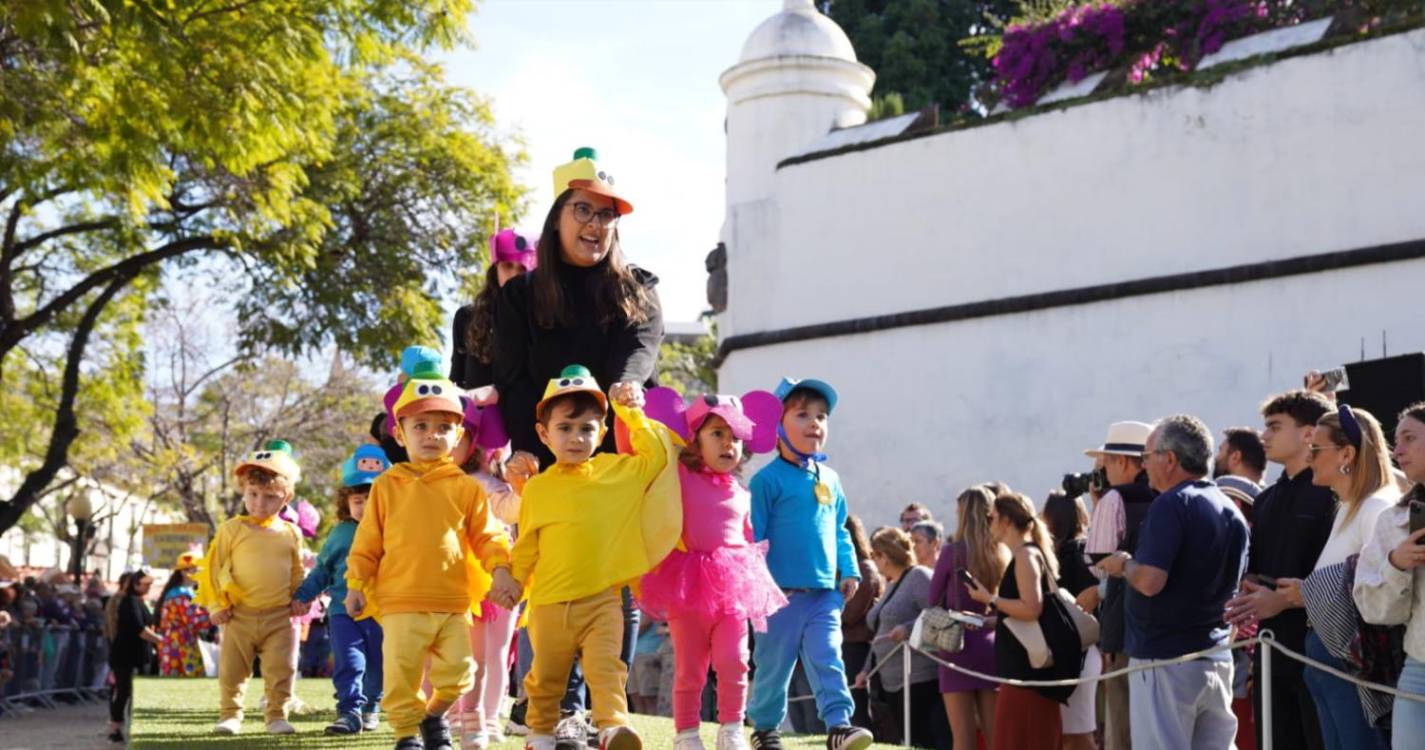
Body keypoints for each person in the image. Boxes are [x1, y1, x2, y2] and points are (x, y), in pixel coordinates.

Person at [495, 149, 662, 741]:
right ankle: (559, 710)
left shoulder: (635, 285)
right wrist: (523, 448)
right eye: (583, 211)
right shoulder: (519, 297)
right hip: (548, 457)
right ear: (558, 217)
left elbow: (644, 343)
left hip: (616, 452)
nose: (595, 225)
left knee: (618, 575)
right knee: (556, 570)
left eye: (607, 216)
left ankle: (606, 709)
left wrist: (629, 384)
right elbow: (514, 380)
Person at [505, 366, 682, 750]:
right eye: (565, 428)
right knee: (546, 676)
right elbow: (527, 545)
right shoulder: (537, 489)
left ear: (601, 433)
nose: (576, 437)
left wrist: (631, 412)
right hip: (550, 604)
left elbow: (656, 455)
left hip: (604, 600)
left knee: (608, 670)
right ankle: (539, 733)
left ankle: (611, 728)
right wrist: (513, 581)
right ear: (543, 434)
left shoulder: (617, 470)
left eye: (587, 428)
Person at [345, 365, 518, 750]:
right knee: (402, 676)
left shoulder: (465, 488)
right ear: (399, 432)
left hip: (453, 602)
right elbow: (369, 539)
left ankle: (433, 715)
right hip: (400, 600)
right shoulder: (388, 484)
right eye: (420, 426)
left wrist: (501, 569)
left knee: (460, 674)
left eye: (443, 427)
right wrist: (356, 583)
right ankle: (407, 733)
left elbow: (488, 535)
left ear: (459, 435)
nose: (431, 435)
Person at [637, 390, 788, 750]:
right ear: (694, 439)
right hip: (687, 584)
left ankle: (732, 728)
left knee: (735, 660)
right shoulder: (679, 477)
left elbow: (748, 539)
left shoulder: (742, 491)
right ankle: (687, 733)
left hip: (733, 586)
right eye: (717, 433)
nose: (728, 444)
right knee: (689, 668)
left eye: (735, 437)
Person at [1098, 415, 1249, 750]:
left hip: (1165, 660)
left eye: (1148, 457)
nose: (1145, 466)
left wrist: (1124, 565)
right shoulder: (1231, 510)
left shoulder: (1172, 504)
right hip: (1214, 657)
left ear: (1169, 459)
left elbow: (1150, 581)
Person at [745, 378, 874, 750]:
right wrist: (759, 588)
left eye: (821, 416)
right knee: (773, 667)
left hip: (823, 593)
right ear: (777, 426)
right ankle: (766, 729)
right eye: (802, 414)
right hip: (777, 596)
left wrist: (849, 570)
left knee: (828, 657)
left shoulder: (830, 479)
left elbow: (840, 529)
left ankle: (839, 725)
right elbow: (756, 540)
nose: (815, 422)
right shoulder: (765, 480)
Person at [1278, 406, 1396, 749]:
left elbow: (1381, 588)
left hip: (1352, 663)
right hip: (1327, 657)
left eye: (1315, 449)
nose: (1309, 457)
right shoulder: (1349, 507)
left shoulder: (1376, 508)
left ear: (1347, 453)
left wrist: (1308, 592)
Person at [1228, 390, 1335, 750]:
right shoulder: (1265, 499)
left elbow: (1343, 574)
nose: (1265, 437)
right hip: (1271, 648)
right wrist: (1248, 590)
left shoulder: (1334, 493)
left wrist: (1285, 601)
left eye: (1275, 427)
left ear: (1308, 433)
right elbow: (1257, 570)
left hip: (1323, 647)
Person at [196, 441, 306, 736]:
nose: (259, 503)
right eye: (253, 494)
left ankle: (276, 716)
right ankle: (230, 715)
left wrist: (300, 598)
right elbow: (213, 568)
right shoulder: (232, 529)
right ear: (243, 491)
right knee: (233, 670)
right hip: (238, 616)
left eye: (270, 497)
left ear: (286, 498)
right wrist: (216, 605)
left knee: (281, 669)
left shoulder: (291, 532)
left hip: (279, 616)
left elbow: (296, 570)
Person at [967, 491, 1078, 750]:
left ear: (1006, 520)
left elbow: (1031, 609)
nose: (989, 523)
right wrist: (992, 619)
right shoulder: (1028, 554)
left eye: (991, 517)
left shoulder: (1025, 556)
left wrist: (990, 599)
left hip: (1027, 676)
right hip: (1025, 671)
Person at [293, 445, 390, 735]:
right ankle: (349, 711)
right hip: (342, 611)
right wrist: (303, 595)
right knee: (349, 661)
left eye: (372, 500)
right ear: (346, 503)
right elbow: (323, 569)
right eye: (358, 500)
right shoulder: (340, 533)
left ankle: (371, 706)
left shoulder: (395, 530)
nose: (364, 507)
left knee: (379, 663)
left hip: (384, 611)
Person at [448, 398, 521, 750]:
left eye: (459, 435)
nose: (448, 442)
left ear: (473, 442)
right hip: (450, 577)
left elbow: (510, 513)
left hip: (496, 574)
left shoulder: (491, 485)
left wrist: (521, 484)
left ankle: (488, 718)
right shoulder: (431, 483)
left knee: (495, 651)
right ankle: (451, 715)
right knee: (450, 651)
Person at [1354, 402, 1425, 746]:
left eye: (1409, 438)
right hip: (1419, 669)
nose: (1398, 450)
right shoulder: (1392, 519)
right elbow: (1374, 611)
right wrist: (1396, 564)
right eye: (1396, 441)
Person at [1082, 419, 1155, 750]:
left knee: (1122, 718)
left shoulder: (1114, 499)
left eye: (1108, 461)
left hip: (1124, 621)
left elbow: (1098, 565)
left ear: (1124, 461)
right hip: (1159, 624)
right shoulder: (1167, 497)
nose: (1104, 470)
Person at [928, 485, 1005, 750]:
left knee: (963, 738)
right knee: (996, 736)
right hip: (992, 643)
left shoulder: (952, 552)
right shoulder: (1000, 551)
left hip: (957, 645)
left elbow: (932, 599)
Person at [855, 527, 939, 748]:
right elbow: (879, 632)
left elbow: (937, 614)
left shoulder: (919, 577)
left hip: (918, 676)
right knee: (909, 740)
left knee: (926, 739)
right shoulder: (891, 584)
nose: (874, 561)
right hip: (890, 680)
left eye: (876, 556)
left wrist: (908, 628)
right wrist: (865, 670)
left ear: (886, 556)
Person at [1042, 491, 1100, 750]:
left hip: (1078, 651)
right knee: (1070, 732)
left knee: (1077, 732)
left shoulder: (1071, 554)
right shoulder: (1084, 551)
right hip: (1081, 650)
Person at [451, 227, 537, 390]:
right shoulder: (468, 317)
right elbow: (456, 381)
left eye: (522, 269)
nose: (514, 275)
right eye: (507, 266)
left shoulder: (544, 319)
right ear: (495, 269)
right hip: (476, 414)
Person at [107, 570, 160, 744]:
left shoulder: (140, 601)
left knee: (136, 692)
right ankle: (115, 728)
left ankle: (133, 726)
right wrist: (162, 641)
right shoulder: (128, 602)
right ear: (136, 584)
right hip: (125, 655)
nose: (149, 587)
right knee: (123, 691)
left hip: (139, 655)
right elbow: (140, 628)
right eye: (146, 584)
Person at [841, 514, 883, 731]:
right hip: (845, 644)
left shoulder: (864, 568)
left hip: (857, 645)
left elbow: (851, 614)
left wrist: (826, 611)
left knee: (857, 709)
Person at [156, 553, 210, 677]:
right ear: (185, 572)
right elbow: (193, 620)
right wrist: (213, 614)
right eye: (196, 569)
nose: (199, 573)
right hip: (181, 646)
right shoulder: (181, 594)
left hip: (174, 644)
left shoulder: (176, 592)